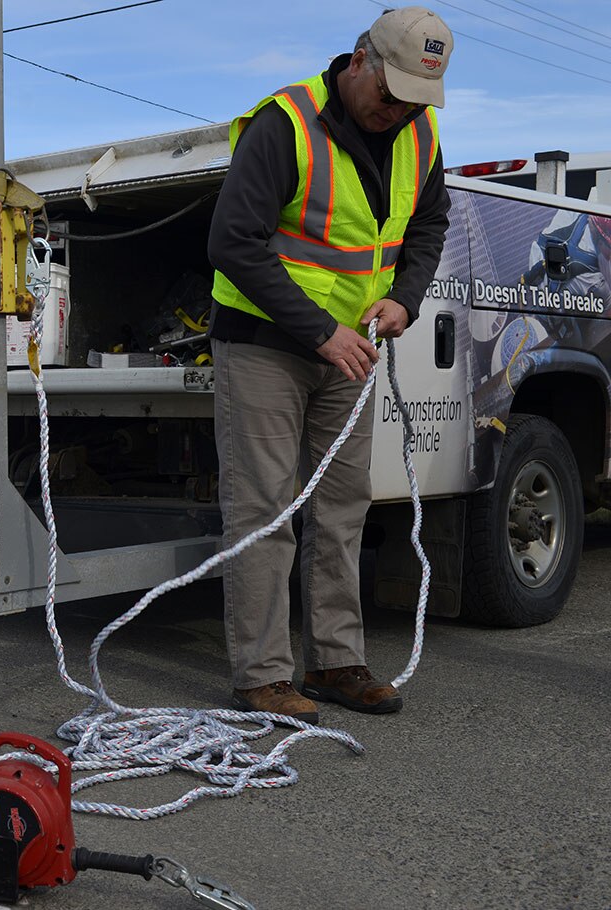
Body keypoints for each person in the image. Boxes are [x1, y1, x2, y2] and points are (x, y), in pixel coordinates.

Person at [206, 6, 453, 724]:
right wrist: (319, 331)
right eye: (389, 92)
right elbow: (232, 243)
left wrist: (406, 298)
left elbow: (429, 223)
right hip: (264, 346)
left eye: (414, 98)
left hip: (349, 349)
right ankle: (261, 676)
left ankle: (337, 663)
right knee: (264, 511)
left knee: (342, 511)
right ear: (359, 61)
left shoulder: (419, 132)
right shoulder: (286, 123)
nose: (397, 110)